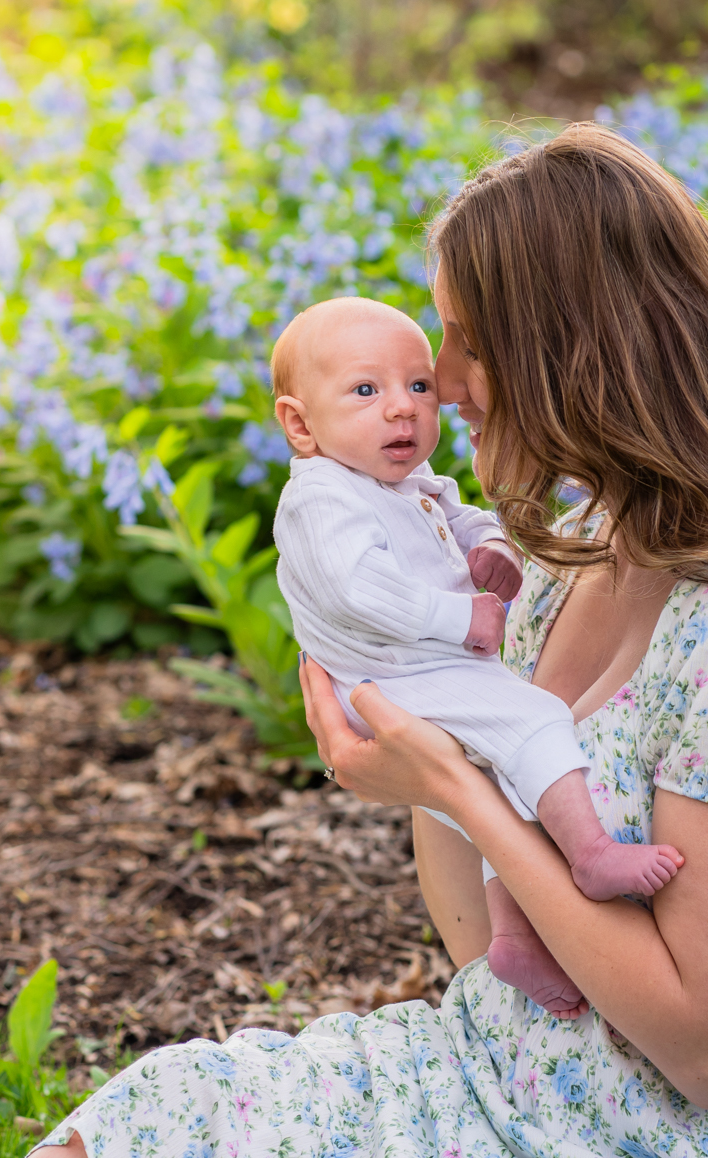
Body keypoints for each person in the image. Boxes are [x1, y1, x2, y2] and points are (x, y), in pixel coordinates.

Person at [0, 121, 708, 1158]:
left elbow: (705, 1048)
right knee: (171, 1121)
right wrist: (404, 713)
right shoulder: (567, 556)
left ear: (576, 355)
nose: (435, 382)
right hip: (504, 1077)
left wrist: (455, 784)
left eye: (465, 344)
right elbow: (479, 947)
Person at [268, 294, 685, 1016]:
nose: (406, 407)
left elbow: (456, 515)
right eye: (367, 390)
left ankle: (515, 934)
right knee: (534, 721)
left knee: (503, 778)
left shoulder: (401, 481)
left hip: (418, 669)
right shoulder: (321, 499)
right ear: (299, 424)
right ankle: (588, 853)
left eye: (417, 385)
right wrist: (464, 615)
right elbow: (359, 588)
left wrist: (488, 545)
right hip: (393, 676)